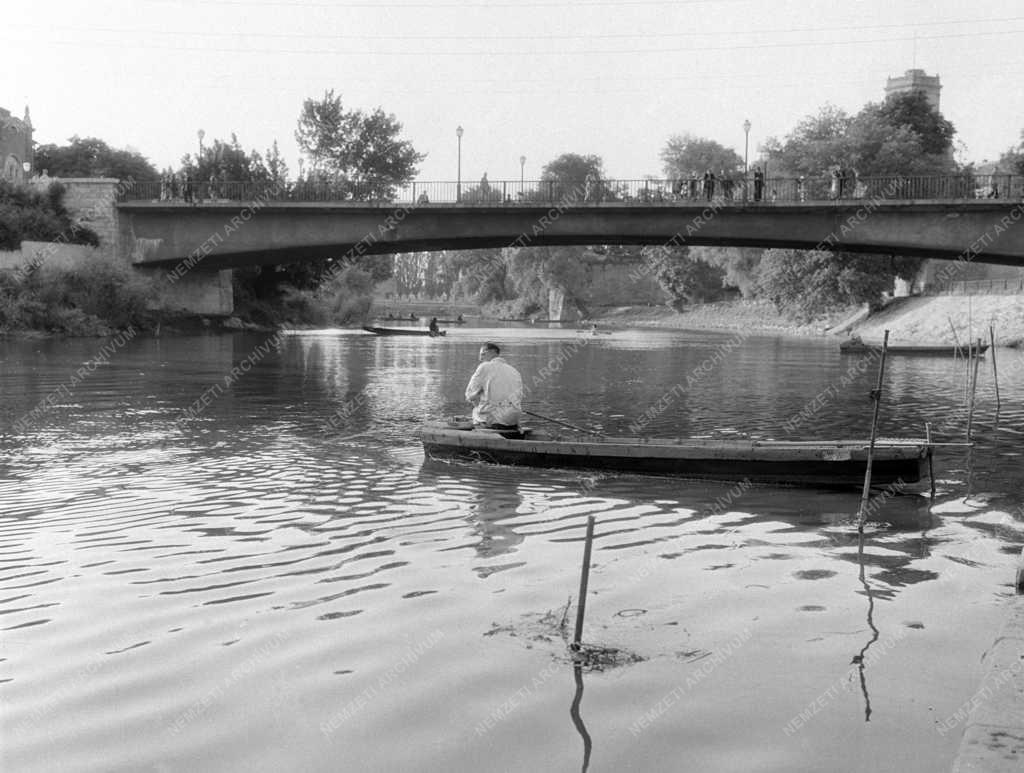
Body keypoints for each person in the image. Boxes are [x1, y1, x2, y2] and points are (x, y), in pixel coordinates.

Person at [465, 342, 523, 428]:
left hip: (495, 420)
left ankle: (484, 427)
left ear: (488, 352)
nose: (480, 359)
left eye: (482, 354)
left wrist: (477, 396)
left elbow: (469, 396)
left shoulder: (484, 366)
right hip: (514, 418)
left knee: (475, 411)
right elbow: (519, 397)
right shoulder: (515, 371)